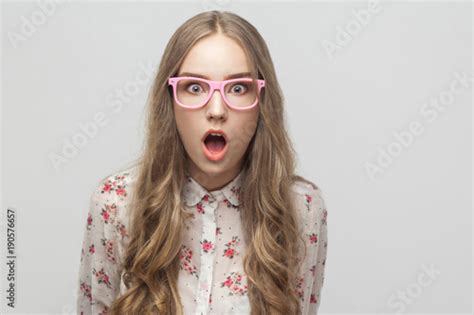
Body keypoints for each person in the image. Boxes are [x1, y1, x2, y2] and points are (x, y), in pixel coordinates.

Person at [76, 10, 328, 315]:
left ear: (262, 102)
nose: (217, 110)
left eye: (238, 88)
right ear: (170, 99)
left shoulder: (302, 208)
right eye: (195, 88)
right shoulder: (115, 204)